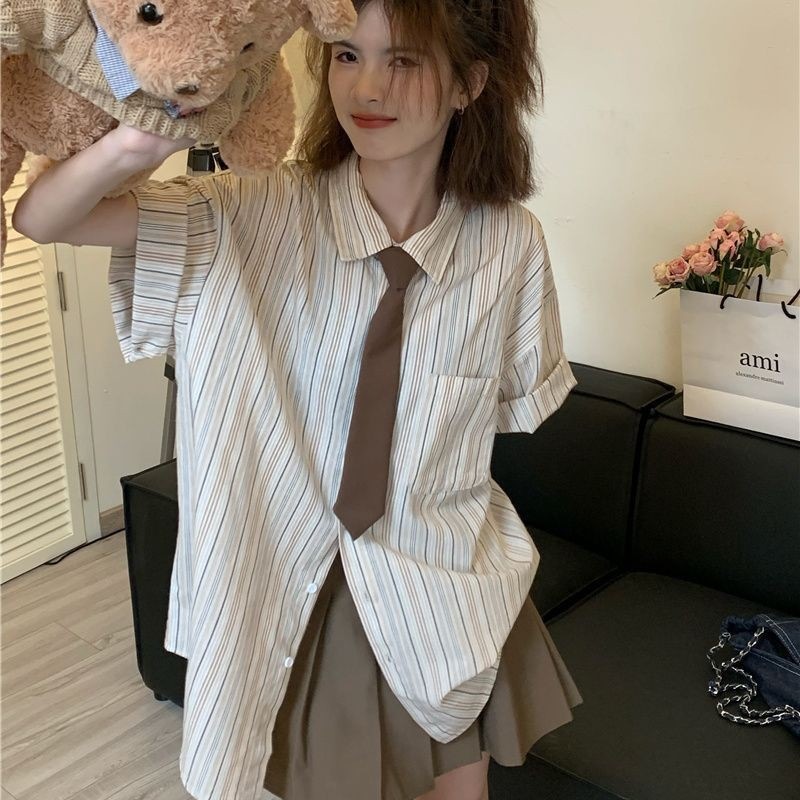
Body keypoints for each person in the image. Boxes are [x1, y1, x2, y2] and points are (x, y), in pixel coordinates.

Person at [12, 1, 583, 799]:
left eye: (405, 60)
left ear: (470, 83)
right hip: (303, 591)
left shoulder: (511, 244)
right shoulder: (247, 212)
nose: (367, 87)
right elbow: (45, 218)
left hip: (448, 584)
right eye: (347, 55)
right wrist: (147, 137)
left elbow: (501, 413)